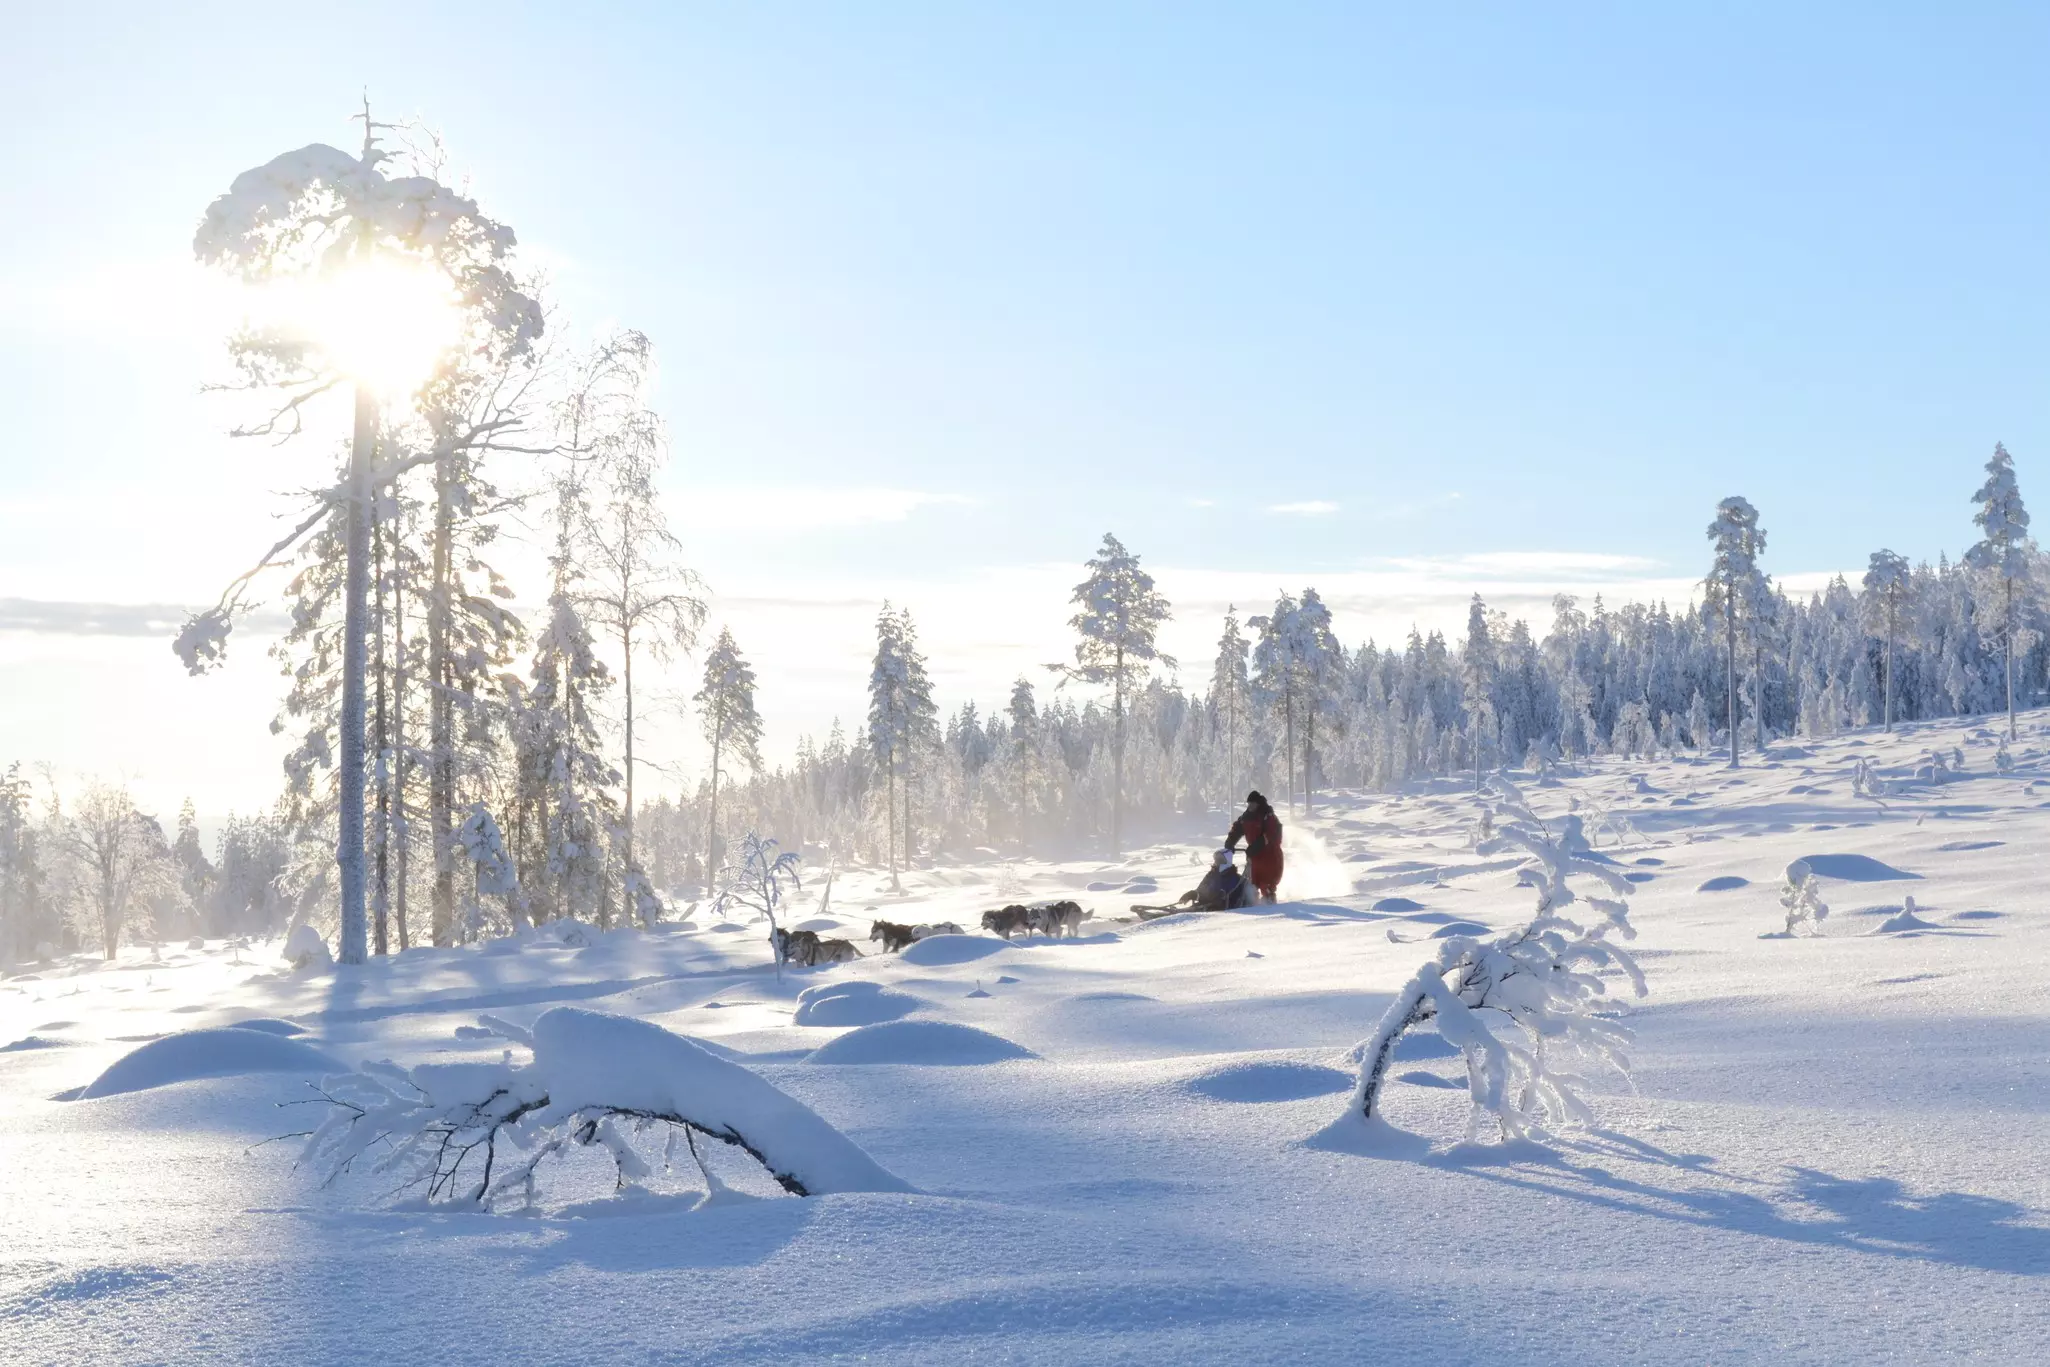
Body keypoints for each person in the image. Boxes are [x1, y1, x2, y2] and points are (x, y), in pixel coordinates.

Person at [1225, 790, 1284, 903]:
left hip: (1270, 855)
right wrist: (1230, 842)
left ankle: (1269, 905)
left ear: (1258, 804)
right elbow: (1237, 828)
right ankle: (1251, 904)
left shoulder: (1267, 815)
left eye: (1252, 803)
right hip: (1255, 855)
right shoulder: (1246, 816)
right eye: (1249, 804)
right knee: (1252, 882)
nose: (1250, 806)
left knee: (1266, 882)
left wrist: (1256, 846)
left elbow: (1270, 834)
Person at [1173, 848, 1252, 911]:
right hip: (1204, 906)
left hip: (1218, 910)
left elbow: (1223, 896)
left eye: (1220, 859)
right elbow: (1201, 890)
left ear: (1227, 861)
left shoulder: (1234, 878)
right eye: (1216, 859)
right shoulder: (1211, 875)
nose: (1216, 862)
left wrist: (1198, 896)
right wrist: (1192, 894)